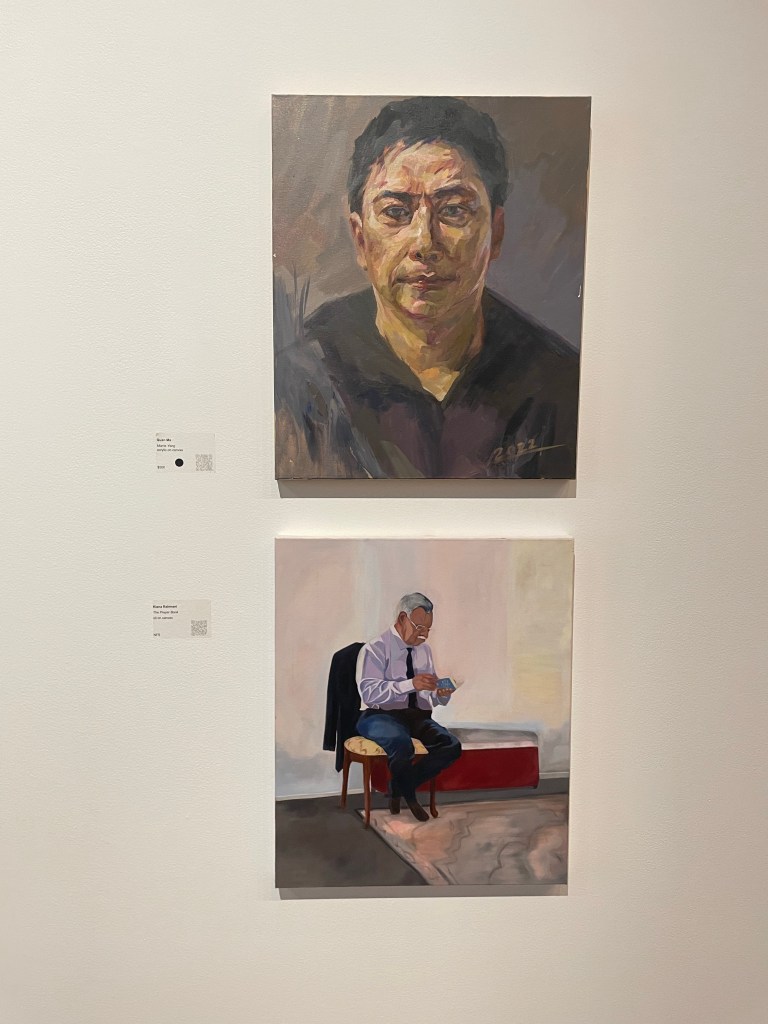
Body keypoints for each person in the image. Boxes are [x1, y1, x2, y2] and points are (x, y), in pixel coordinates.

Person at [274, 95, 581, 480]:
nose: (424, 242)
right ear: (360, 239)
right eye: (395, 212)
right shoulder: (302, 378)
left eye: (453, 209)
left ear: (496, 233)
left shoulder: (558, 385)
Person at [355, 593, 461, 821]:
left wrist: (440, 695)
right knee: (402, 744)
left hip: (416, 716)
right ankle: (410, 797)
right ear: (403, 618)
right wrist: (410, 684)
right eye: (419, 627)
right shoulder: (375, 649)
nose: (424, 635)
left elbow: (427, 697)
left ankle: (400, 786)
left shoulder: (425, 651)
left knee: (451, 745)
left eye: (428, 629)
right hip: (379, 715)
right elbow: (369, 693)